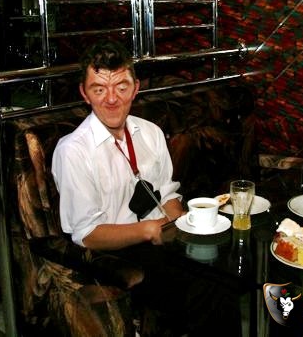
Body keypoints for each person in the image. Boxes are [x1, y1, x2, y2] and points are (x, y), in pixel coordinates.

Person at [52, 40, 240, 335]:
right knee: (208, 286)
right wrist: (149, 230)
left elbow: (166, 193)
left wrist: (181, 225)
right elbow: (86, 233)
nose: (111, 99)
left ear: (135, 88)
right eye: (99, 89)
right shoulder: (73, 151)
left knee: (225, 268)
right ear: (84, 94)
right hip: (114, 255)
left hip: (160, 241)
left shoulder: (150, 132)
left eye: (121, 87)